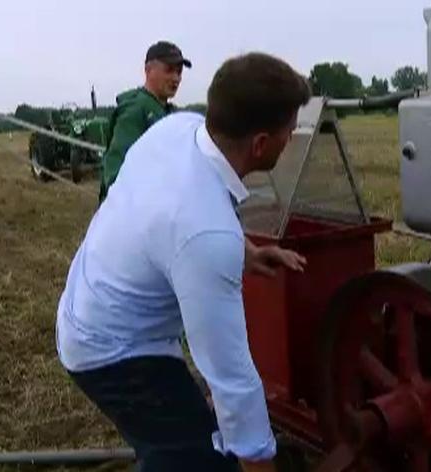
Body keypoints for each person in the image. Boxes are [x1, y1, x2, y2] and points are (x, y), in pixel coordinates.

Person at [56, 52, 311, 472]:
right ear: (261, 143)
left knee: (189, 442)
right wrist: (259, 460)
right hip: (111, 351)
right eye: (290, 130)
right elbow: (231, 378)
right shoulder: (206, 234)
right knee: (200, 463)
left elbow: (169, 216)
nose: (292, 137)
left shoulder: (178, 130)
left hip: (88, 305)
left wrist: (248, 251)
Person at [98, 40, 192, 203]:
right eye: (169, 70)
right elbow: (116, 174)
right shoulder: (136, 110)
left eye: (179, 72)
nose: (176, 78)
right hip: (132, 214)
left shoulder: (166, 111)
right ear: (148, 70)